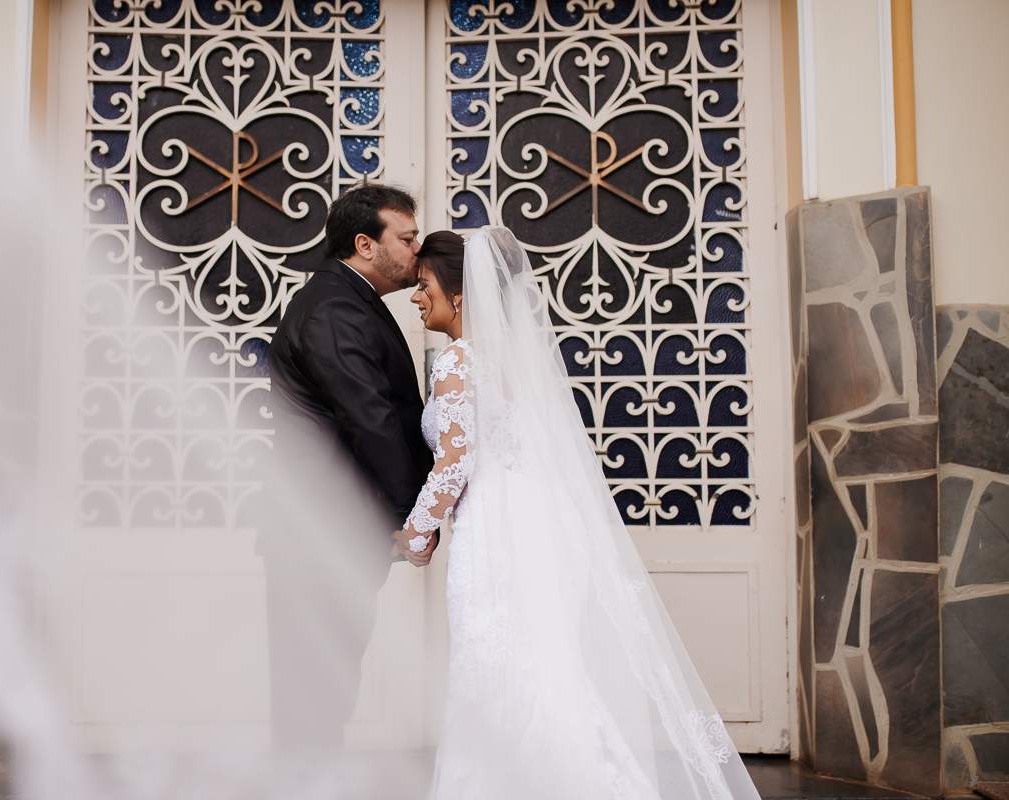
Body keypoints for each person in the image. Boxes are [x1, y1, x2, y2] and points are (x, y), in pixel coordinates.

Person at [393, 226, 762, 800]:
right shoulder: (516, 359)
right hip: (543, 523)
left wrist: (415, 534)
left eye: (425, 284)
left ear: (461, 293)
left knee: (496, 671)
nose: (418, 297)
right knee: (548, 669)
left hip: (497, 531)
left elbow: (456, 464)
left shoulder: (457, 360)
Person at [262, 184, 436, 752]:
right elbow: (371, 418)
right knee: (313, 680)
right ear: (365, 244)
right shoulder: (335, 307)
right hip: (318, 531)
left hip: (332, 528)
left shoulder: (352, 301)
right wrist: (418, 518)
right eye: (407, 239)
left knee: (328, 675)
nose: (418, 250)